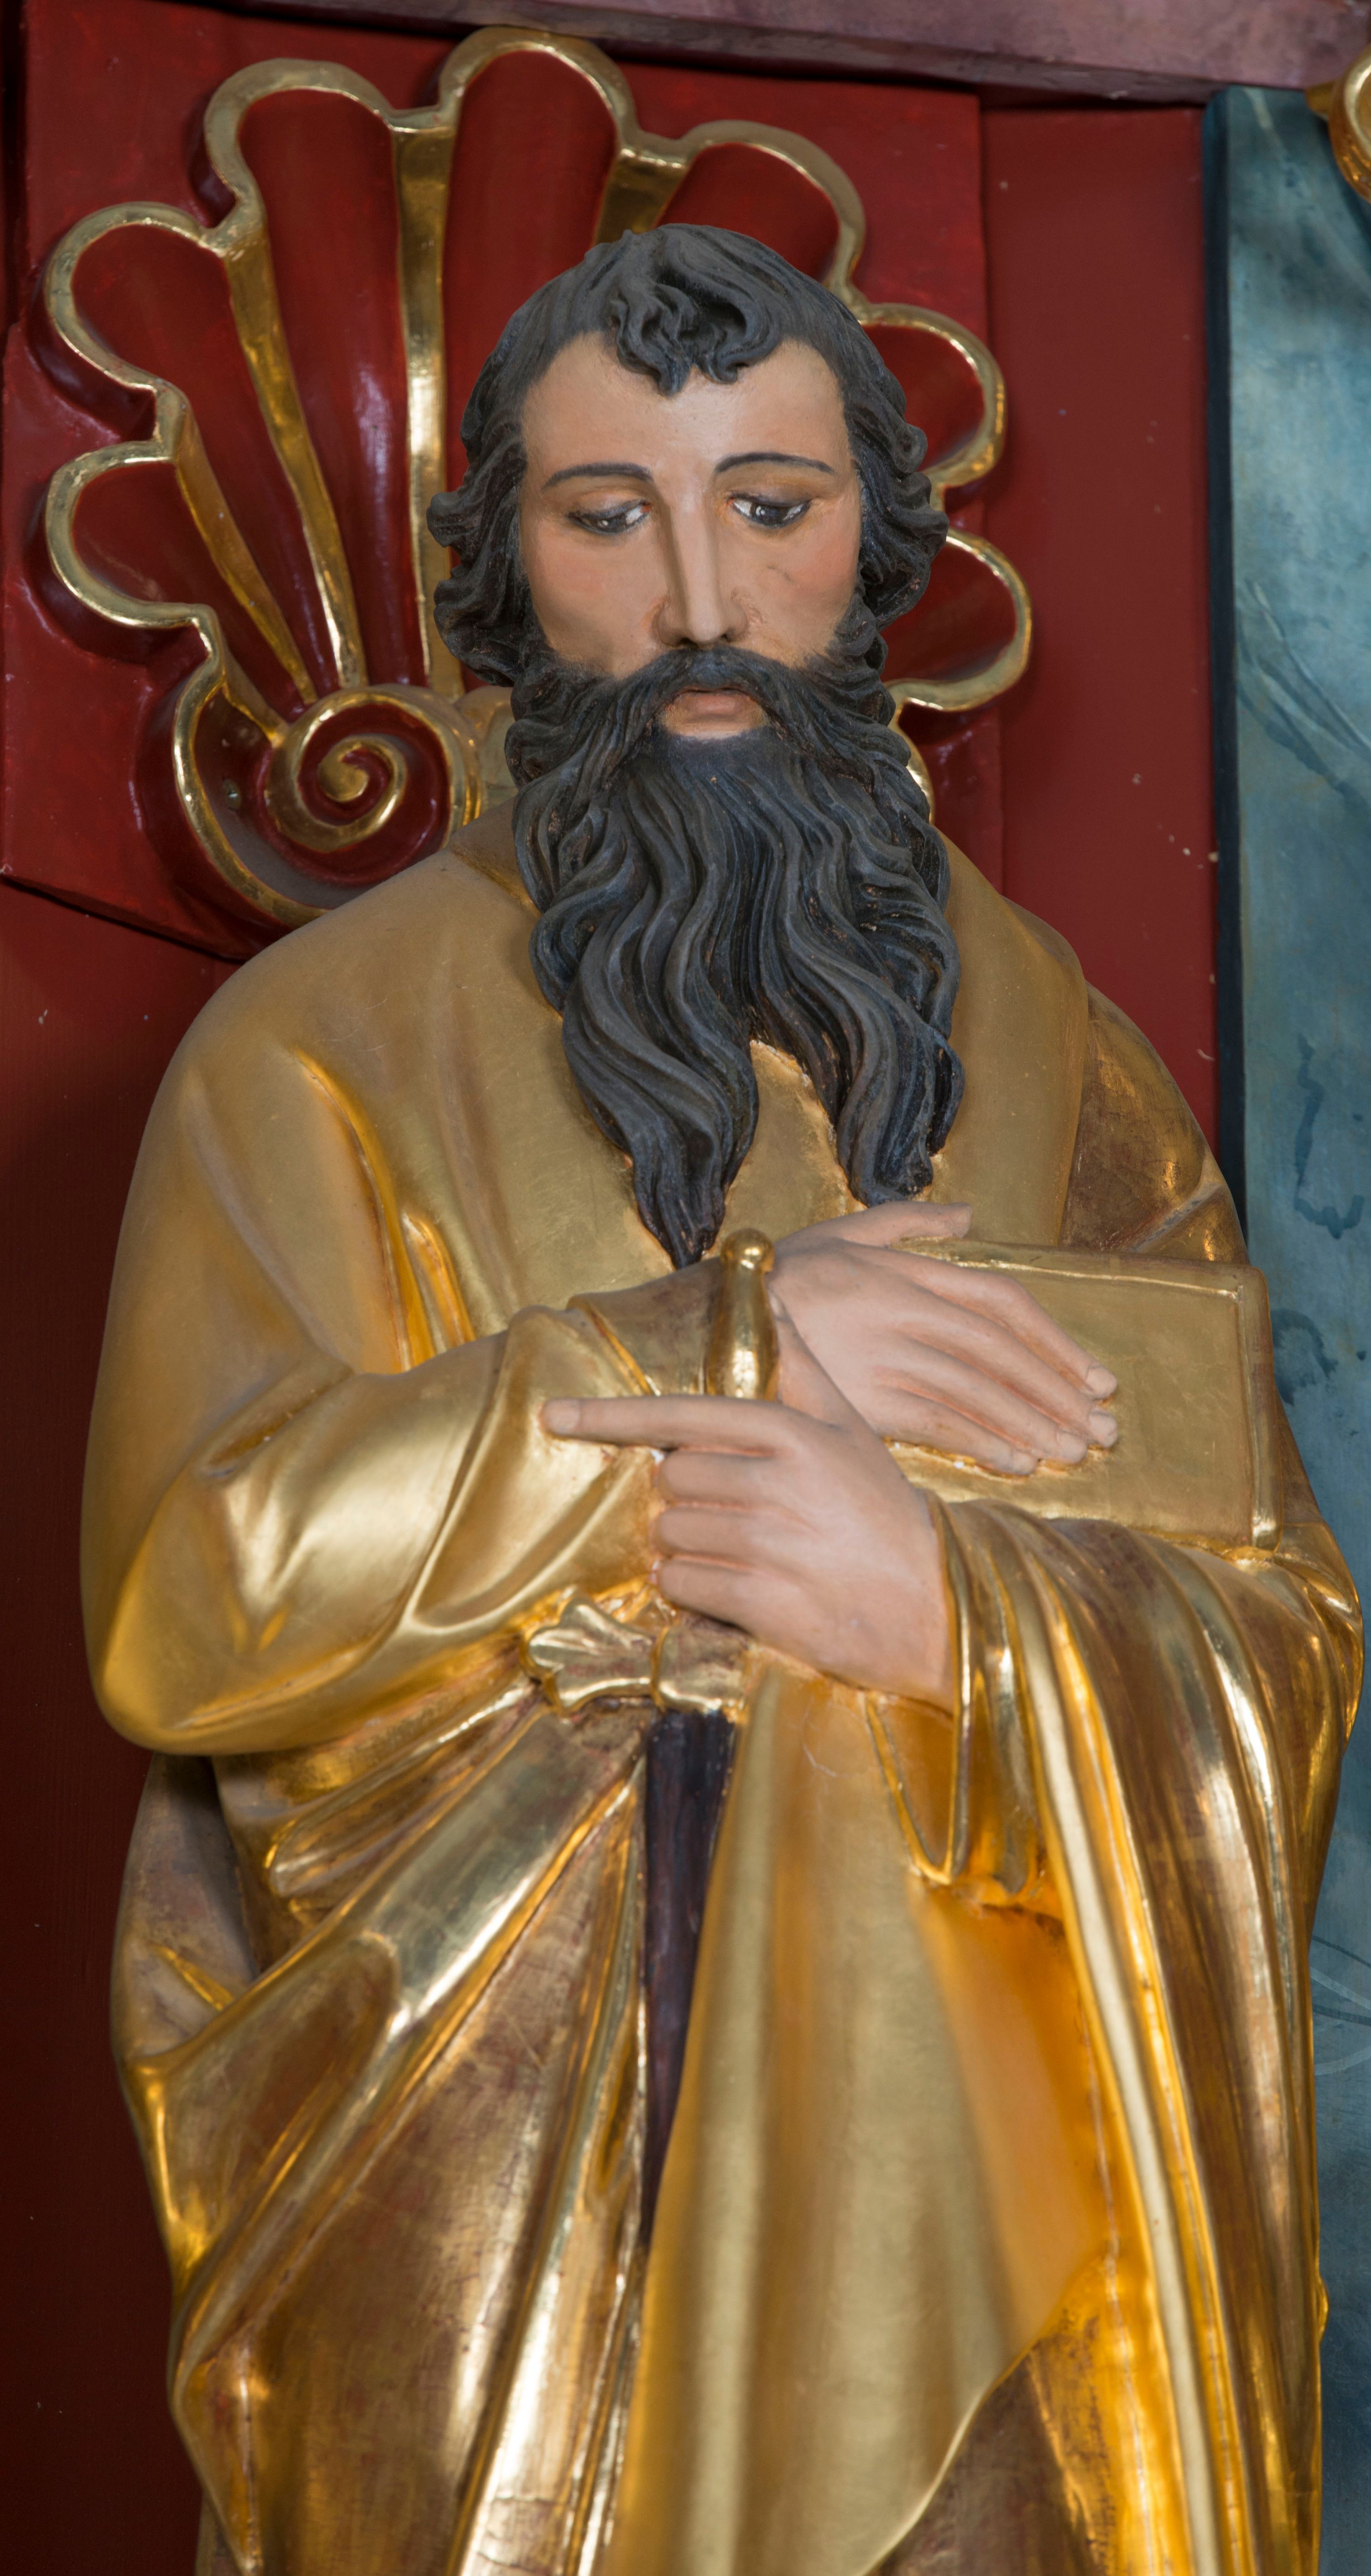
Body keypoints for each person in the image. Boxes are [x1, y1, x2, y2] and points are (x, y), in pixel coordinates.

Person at [84, 226, 1360, 2576]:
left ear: (876, 539)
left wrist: (959, 1622)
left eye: (770, 508)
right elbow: (191, 1588)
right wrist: (716, 1356)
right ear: (507, 568)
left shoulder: (1067, 1065)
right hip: (500, 2216)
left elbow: (1282, 1623)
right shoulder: (316, 1048)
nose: (699, 602)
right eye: (611, 517)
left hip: (985, 2194)